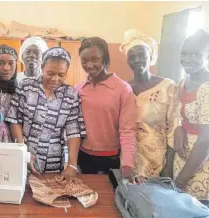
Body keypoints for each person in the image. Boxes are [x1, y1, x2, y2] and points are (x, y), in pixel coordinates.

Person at [6, 47, 86, 180]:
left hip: (53, 163)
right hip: (25, 157)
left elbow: (74, 132)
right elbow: (15, 119)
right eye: (50, 73)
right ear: (42, 68)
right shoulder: (26, 87)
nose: (55, 79)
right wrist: (24, 151)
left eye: (61, 75)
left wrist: (72, 165)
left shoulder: (71, 95)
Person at [76, 37, 142, 183]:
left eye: (95, 59)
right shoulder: (78, 89)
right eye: (84, 61)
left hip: (111, 158)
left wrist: (127, 165)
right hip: (82, 157)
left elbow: (127, 130)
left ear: (105, 59)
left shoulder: (122, 89)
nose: (89, 65)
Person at [120, 29, 177, 178]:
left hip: (158, 162)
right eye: (132, 57)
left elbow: (173, 128)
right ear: (127, 61)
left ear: (151, 56)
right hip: (128, 161)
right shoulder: (124, 88)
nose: (137, 60)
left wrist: (169, 165)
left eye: (141, 55)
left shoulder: (167, 87)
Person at [173, 29, 209, 201]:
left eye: (195, 54)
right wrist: (179, 128)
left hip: (200, 165)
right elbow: (183, 115)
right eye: (184, 53)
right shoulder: (183, 82)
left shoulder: (207, 87)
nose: (187, 59)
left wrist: (181, 180)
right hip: (183, 158)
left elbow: (205, 141)